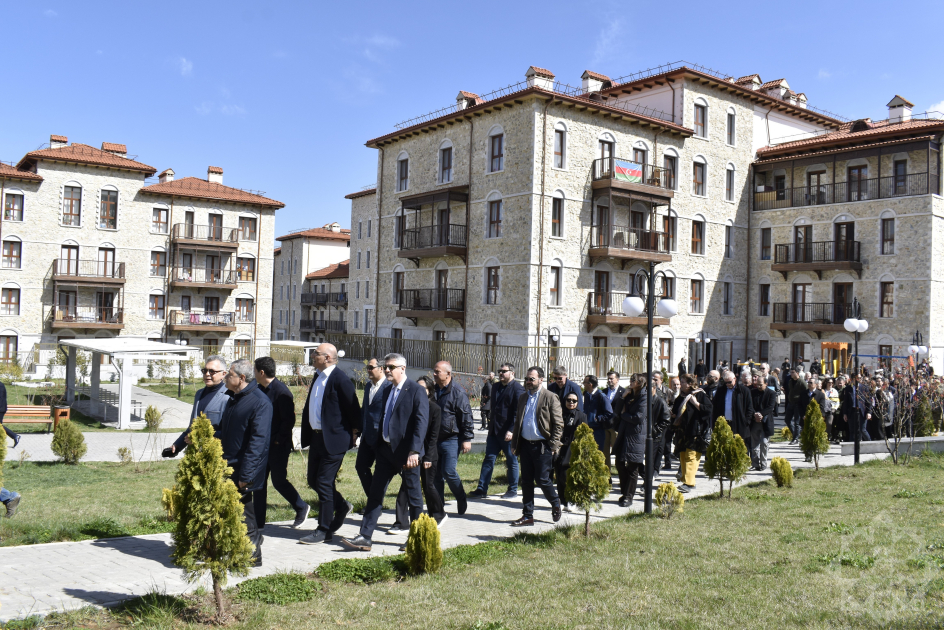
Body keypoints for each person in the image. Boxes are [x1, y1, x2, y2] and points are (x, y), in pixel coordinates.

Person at [339, 353, 428, 552]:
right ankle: (365, 537)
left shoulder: (415, 390)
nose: (387, 370)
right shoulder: (388, 390)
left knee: (414, 496)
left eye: (391, 367)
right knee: (375, 494)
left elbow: (421, 423)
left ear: (402, 368)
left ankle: (416, 538)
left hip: (407, 454)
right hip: (385, 451)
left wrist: (414, 451)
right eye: (385, 366)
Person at [298, 343, 360, 545]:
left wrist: (355, 433)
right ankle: (341, 506)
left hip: (334, 440)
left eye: (315, 353)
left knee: (324, 482)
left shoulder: (340, 379)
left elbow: (354, 410)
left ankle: (324, 529)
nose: (312, 356)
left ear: (327, 358)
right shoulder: (318, 376)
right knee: (313, 480)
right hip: (317, 438)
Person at [216, 359, 272, 564]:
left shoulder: (259, 402)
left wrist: (246, 474)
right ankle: (243, 547)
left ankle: (253, 555)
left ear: (241, 378)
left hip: (242, 468)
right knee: (236, 510)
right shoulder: (234, 398)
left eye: (229, 374)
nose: (225, 377)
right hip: (229, 464)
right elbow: (228, 430)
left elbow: (258, 442)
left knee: (245, 512)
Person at [253, 357, 309, 529]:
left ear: (262, 372)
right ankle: (258, 522)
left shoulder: (281, 392)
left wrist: (277, 440)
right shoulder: (259, 389)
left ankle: (301, 507)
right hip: (262, 445)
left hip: (278, 446)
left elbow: (288, 421)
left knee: (278, 481)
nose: (253, 374)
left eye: (255, 371)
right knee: (258, 483)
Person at [511, 366, 563, 527]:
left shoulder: (550, 397)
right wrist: (515, 443)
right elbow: (518, 422)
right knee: (526, 481)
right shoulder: (523, 397)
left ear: (541, 379)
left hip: (542, 446)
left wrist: (553, 445)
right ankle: (528, 515)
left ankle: (555, 502)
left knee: (542, 479)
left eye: (531, 379)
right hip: (526, 445)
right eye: (527, 379)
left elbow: (558, 424)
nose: (528, 382)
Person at [393, 375, 445, 531]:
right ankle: (401, 522)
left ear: (429, 391)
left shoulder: (435, 409)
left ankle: (439, 514)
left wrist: (428, 457)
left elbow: (434, 437)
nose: (418, 391)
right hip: (412, 453)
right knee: (405, 487)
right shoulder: (410, 406)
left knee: (428, 486)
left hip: (428, 454)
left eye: (422, 388)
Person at [470, 362, 523, 499]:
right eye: (500, 371)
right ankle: (482, 489)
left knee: (511, 460)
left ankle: (512, 489)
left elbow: (518, 413)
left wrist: (512, 430)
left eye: (504, 371)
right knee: (488, 459)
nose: (501, 373)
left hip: (508, 433)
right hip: (494, 431)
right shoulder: (495, 387)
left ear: (512, 373)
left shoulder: (518, 389)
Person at [164, 355, 231, 457]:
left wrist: (200, 437)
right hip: (197, 455)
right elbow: (192, 427)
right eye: (205, 371)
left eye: (212, 371)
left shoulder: (229, 396)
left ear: (223, 374)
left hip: (217, 455)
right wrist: (177, 446)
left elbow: (229, 432)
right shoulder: (199, 394)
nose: (207, 374)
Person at [433, 361, 473, 515]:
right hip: (435, 439)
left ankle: (461, 497)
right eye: (434, 371)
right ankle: (438, 506)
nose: (434, 374)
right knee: (436, 474)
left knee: (448, 471)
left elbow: (466, 416)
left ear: (448, 374)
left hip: (451, 439)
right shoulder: (433, 390)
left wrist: (467, 439)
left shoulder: (458, 392)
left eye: (437, 372)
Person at [354, 358, 390, 502]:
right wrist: (358, 432)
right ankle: (374, 501)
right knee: (361, 467)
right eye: (367, 368)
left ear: (381, 368)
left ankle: (374, 505)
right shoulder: (368, 386)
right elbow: (365, 410)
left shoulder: (389, 387)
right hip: (367, 436)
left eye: (371, 367)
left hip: (381, 438)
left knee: (381, 473)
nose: (368, 370)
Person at [673, 375, 713, 493]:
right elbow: (676, 410)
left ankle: (689, 483)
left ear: (690, 384)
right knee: (683, 455)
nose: (681, 384)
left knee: (692, 456)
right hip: (682, 432)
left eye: (683, 382)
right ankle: (685, 480)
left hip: (696, 432)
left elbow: (709, 410)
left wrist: (696, 404)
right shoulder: (681, 396)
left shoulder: (699, 395)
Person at [613, 374, 647, 507]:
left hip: (636, 435)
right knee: (619, 463)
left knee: (633, 467)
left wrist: (624, 414)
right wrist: (622, 397)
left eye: (634, 380)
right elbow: (616, 411)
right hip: (624, 433)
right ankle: (624, 492)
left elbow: (638, 417)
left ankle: (628, 496)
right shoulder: (628, 394)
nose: (631, 382)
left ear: (640, 383)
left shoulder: (644, 397)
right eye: (631, 380)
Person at [555, 392, 586, 512]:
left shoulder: (581, 416)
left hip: (572, 449)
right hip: (559, 448)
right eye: (569, 400)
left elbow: (584, 434)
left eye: (574, 401)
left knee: (567, 475)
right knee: (559, 475)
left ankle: (572, 500)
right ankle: (562, 501)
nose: (571, 402)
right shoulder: (559, 413)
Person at [712, 370, 755, 448]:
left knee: (739, 447)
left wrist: (746, 422)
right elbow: (716, 406)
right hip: (725, 422)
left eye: (729, 382)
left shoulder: (744, 390)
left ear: (735, 379)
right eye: (726, 383)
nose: (728, 384)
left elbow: (749, 408)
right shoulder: (721, 390)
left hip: (739, 424)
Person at [582, 374, 613, 464]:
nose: (583, 384)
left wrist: (597, 419)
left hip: (598, 431)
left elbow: (609, 413)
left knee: (597, 455)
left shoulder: (601, 396)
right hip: (588, 429)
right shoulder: (587, 395)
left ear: (590, 384)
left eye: (584, 382)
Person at [749, 369, 776, 471]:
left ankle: (763, 463)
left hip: (766, 421)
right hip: (755, 421)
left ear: (766, 384)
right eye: (757, 385)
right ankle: (755, 464)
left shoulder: (771, 393)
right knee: (754, 443)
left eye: (761, 385)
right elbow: (750, 405)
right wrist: (755, 414)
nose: (759, 386)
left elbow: (770, 407)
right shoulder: (753, 392)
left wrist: (761, 414)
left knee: (764, 443)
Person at [603, 370, 624, 471]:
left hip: (617, 426)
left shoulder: (623, 392)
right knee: (605, 451)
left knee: (618, 450)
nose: (609, 380)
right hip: (605, 425)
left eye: (612, 378)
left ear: (617, 379)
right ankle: (607, 474)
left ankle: (621, 472)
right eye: (608, 379)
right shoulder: (603, 392)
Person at [0, 380, 19, 448]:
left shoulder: (0, 385)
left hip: (0, 409)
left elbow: (0, 399)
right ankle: (14, 436)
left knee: (0, 426)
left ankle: (14, 436)